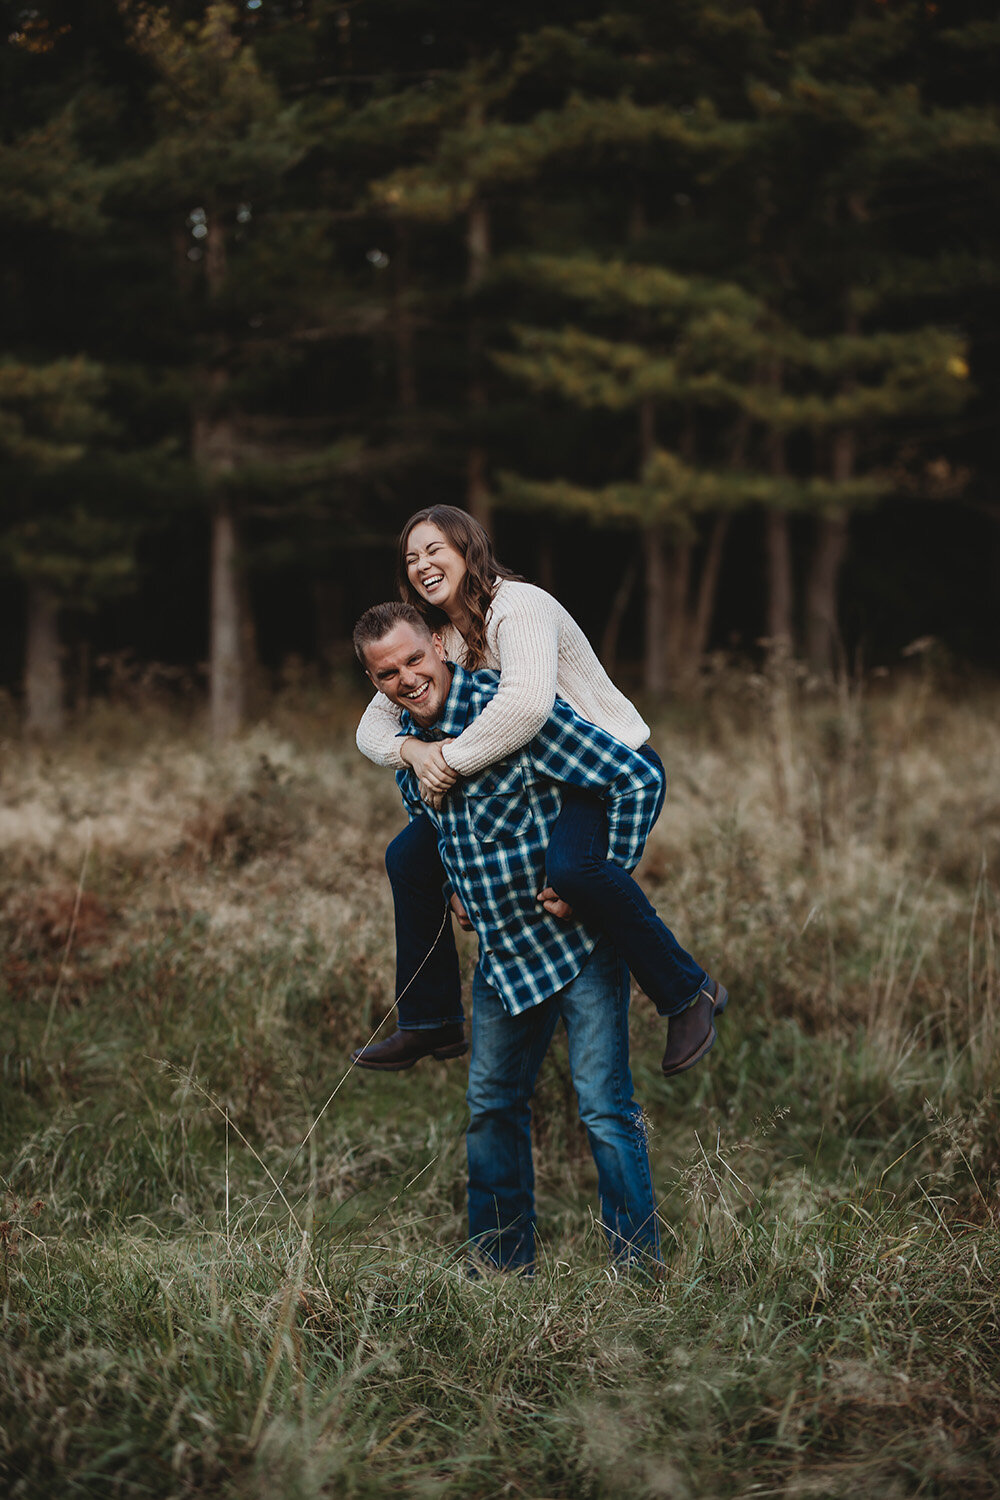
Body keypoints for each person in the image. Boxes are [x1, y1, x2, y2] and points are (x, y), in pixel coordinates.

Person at [354, 505, 728, 1079]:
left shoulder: (519, 607)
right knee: (407, 855)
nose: (423, 564)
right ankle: (429, 1021)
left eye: (435, 550)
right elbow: (372, 727)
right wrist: (414, 752)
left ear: (468, 549)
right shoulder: (438, 639)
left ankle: (687, 994)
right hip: (534, 781)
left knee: (575, 869)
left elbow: (525, 707)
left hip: (601, 768)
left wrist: (445, 760)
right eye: (411, 558)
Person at [352, 601, 671, 1271]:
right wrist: (458, 891)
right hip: (504, 955)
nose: (408, 678)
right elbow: (438, 831)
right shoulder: (413, 748)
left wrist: (599, 880)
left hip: (580, 944)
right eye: (388, 673)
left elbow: (635, 776)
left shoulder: (513, 708)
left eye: (415, 659)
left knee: (604, 1111)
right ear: (375, 683)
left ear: (441, 644)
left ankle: (638, 1268)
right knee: (492, 1107)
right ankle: (501, 1263)